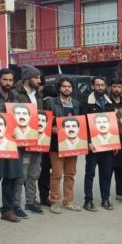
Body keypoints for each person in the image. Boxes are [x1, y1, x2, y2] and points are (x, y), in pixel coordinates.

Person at [0, 69, 26, 223]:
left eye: (11, 80)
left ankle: (7, 210)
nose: (8, 83)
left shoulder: (16, 98)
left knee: (11, 178)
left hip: (12, 143)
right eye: (5, 79)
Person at [44, 78, 81, 214]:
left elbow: (81, 124)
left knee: (70, 174)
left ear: (72, 89)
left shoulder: (76, 104)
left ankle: (69, 201)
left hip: (73, 144)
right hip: (56, 145)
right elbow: (43, 122)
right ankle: (55, 202)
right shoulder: (51, 103)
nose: (67, 89)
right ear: (59, 88)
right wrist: (50, 129)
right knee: (56, 174)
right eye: (64, 86)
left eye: (69, 86)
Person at [80, 76, 115, 211]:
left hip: (107, 144)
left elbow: (112, 125)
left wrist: (114, 143)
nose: (100, 87)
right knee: (90, 174)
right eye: (97, 85)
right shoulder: (86, 102)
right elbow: (83, 125)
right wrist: (88, 142)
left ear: (105, 86)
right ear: (92, 86)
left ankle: (105, 199)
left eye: (102, 85)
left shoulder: (109, 102)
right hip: (92, 145)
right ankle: (88, 201)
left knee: (106, 173)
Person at [14, 64, 45, 215]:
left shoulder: (38, 95)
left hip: (38, 140)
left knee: (34, 173)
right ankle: (16, 205)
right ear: (27, 79)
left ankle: (30, 202)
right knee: (21, 174)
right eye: (36, 77)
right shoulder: (16, 94)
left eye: (39, 77)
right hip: (23, 141)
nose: (39, 80)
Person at [108, 78, 122, 203]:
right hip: (109, 139)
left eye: (119, 87)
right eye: (114, 86)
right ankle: (105, 195)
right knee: (108, 168)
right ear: (110, 87)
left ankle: (120, 194)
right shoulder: (106, 102)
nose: (117, 89)